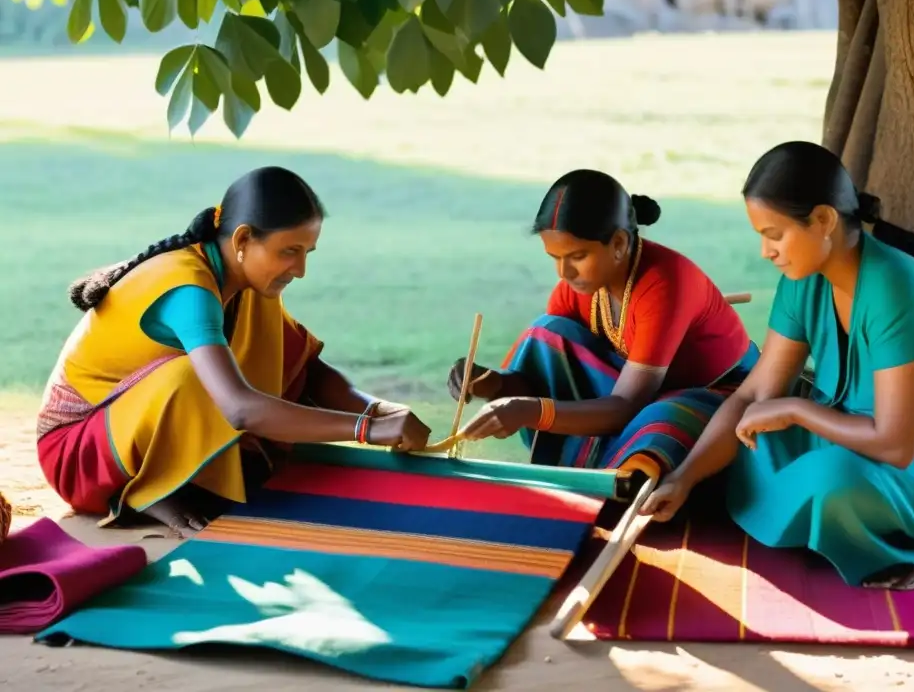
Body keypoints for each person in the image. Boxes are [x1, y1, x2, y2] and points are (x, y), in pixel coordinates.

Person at [641, 141, 914, 588]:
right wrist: (683, 479)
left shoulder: (897, 291)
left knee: (830, 479)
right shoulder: (804, 281)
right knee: (750, 437)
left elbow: (898, 445)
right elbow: (752, 396)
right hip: (859, 440)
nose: (766, 251)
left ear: (823, 220)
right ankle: (825, 523)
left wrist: (796, 410)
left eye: (774, 234)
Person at [37, 167, 432, 537]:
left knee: (249, 389)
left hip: (124, 433)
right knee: (191, 378)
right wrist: (368, 431)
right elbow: (240, 408)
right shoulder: (188, 290)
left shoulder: (248, 285)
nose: (299, 270)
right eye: (288, 251)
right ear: (243, 240)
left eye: (307, 253)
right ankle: (148, 489)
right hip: (81, 454)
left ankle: (180, 479)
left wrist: (379, 409)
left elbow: (305, 371)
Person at [445, 169, 759, 481]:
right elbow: (541, 382)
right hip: (637, 392)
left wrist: (529, 411)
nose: (564, 272)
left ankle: (614, 477)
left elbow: (626, 405)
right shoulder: (577, 287)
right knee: (546, 335)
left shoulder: (666, 284)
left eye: (577, 256)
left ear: (619, 243)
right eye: (554, 257)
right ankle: (600, 469)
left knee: (663, 420)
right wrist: (491, 384)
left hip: (717, 393)